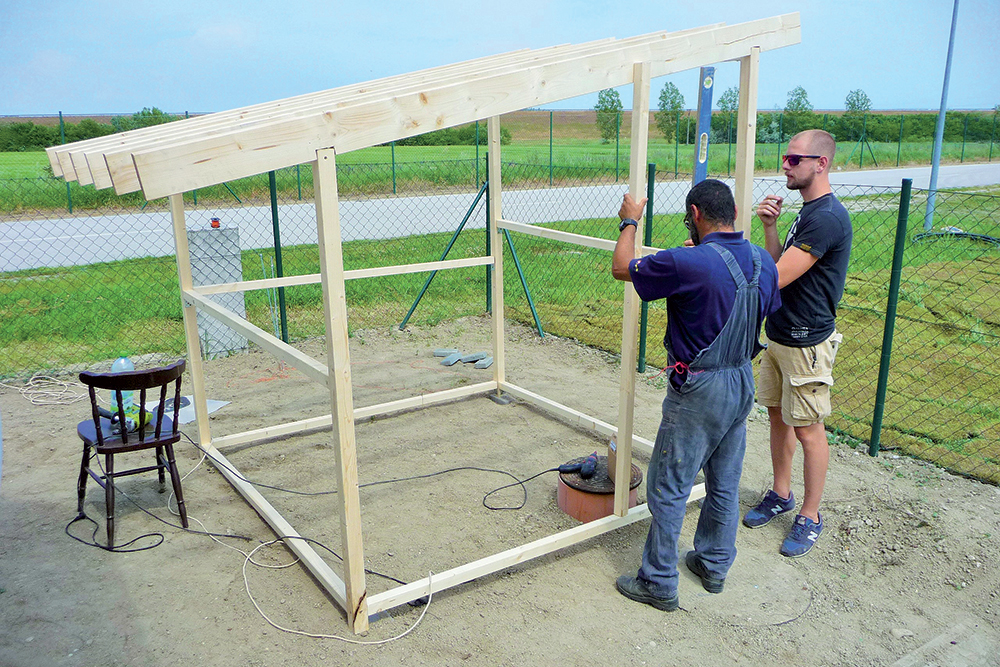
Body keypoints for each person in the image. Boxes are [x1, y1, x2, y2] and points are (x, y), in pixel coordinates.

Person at [611, 179, 781, 611]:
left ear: (695, 213)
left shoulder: (688, 263)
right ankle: (713, 564)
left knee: (668, 486)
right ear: (735, 215)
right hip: (742, 379)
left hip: (700, 388)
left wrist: (630, 220)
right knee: (724, 482)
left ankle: (659, 581)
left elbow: (622, 266)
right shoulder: (763, 261)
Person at [743, 129, 853, 558]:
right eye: (784, 158)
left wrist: (718, 257)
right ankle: (781, 493)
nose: (784, 166)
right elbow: (777, 264)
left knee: (809, 430)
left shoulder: (826, 217)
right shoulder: (806, 212)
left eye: (793, 159)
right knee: (778, 418)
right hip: (780, 336)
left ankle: (810, 515)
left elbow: (776, 277)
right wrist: (770, 228)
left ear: (820, 164)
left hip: (807, 343)